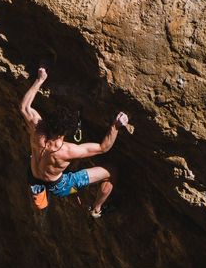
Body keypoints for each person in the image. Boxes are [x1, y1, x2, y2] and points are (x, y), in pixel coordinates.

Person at [21, 67, 129, 216]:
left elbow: (25, 107)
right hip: (60, 186)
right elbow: (103, 147)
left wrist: (40, 79)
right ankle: (97, 209)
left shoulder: (37, 131)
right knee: (111, 171)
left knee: (56, 169)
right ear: (67, 131)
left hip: (34, 177)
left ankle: (45, 192)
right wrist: (116, 125)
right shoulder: (68, 151)